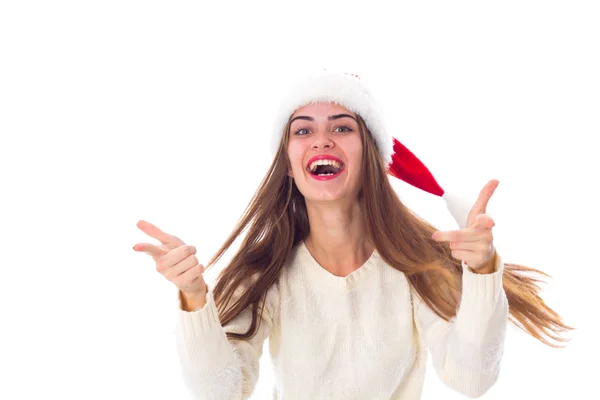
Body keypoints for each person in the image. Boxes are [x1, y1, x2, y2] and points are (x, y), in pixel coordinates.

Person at [133, 70, 572, 399]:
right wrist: (193, 296)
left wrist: (480, 272)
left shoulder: (415, 266)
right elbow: (221, 391)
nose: (321, 139)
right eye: (303, 130)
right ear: (288, 164)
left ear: (374, 157)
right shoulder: (265, 272)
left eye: (342, 127)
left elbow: (472, 377)